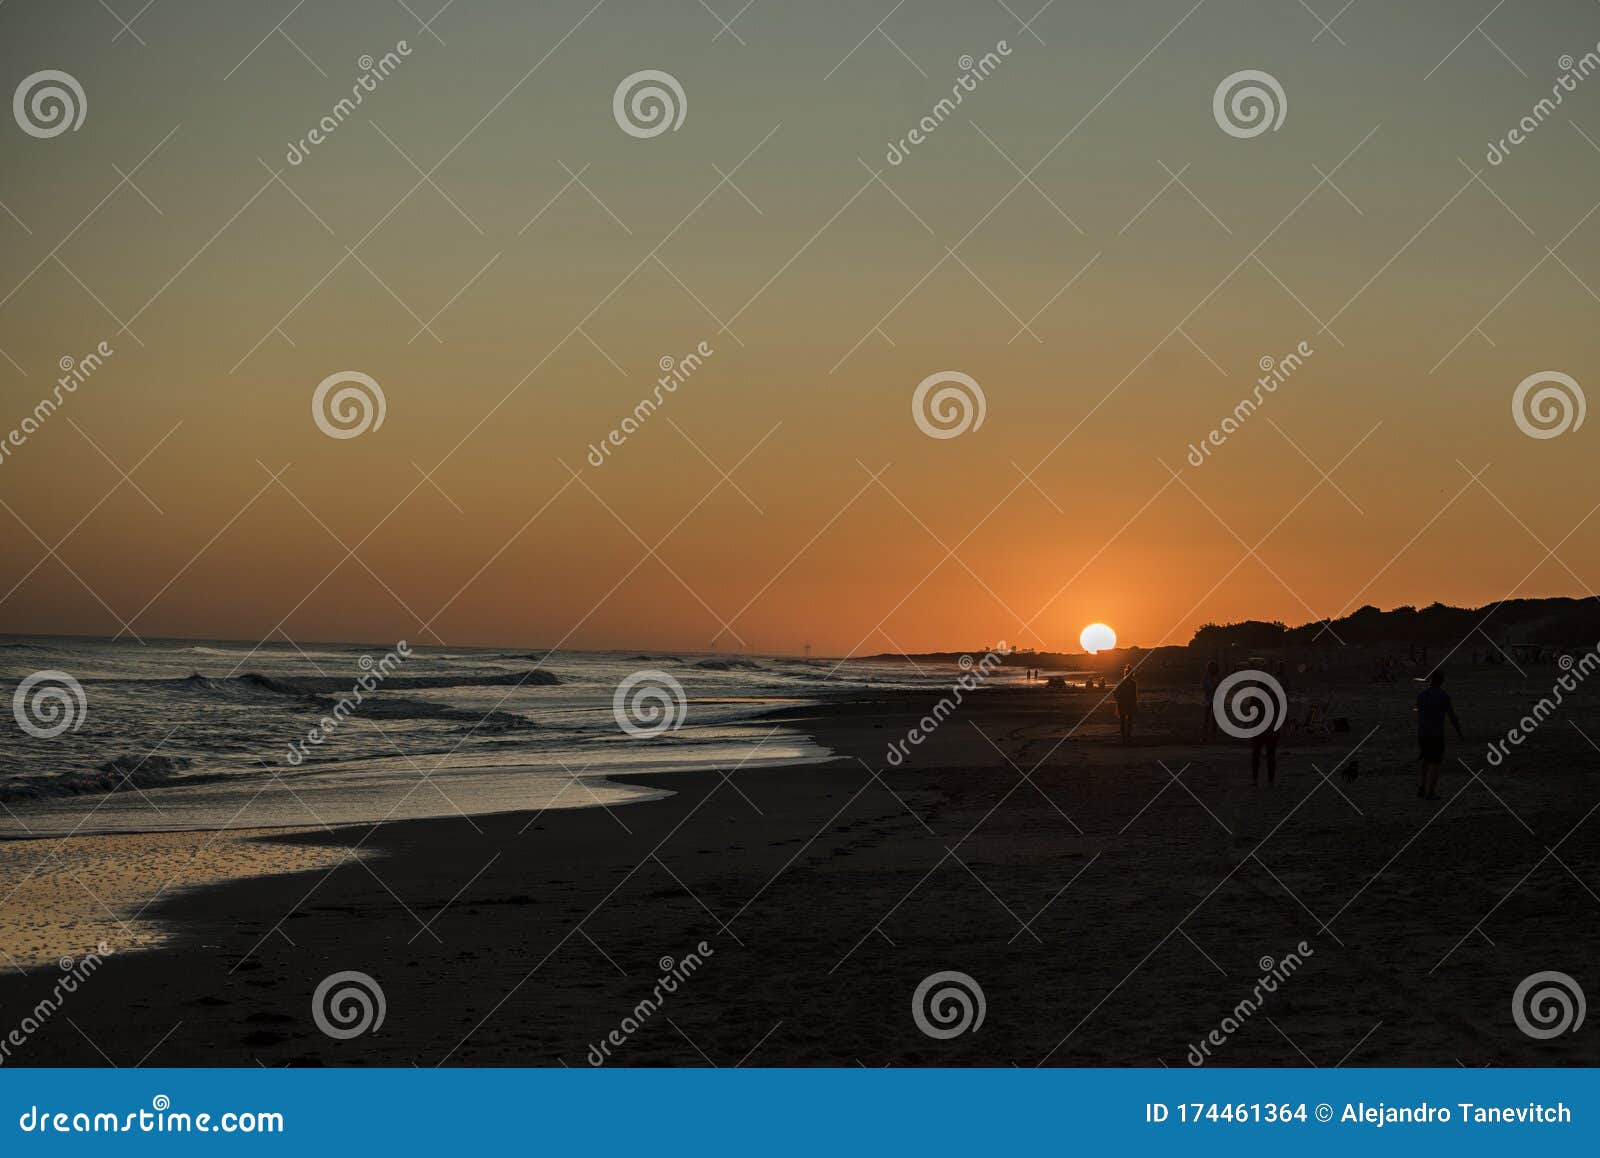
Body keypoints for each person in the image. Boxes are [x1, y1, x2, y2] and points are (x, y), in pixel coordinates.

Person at [1415, 670, 1463, 800]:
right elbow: (1452, 717)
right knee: (1435, 763)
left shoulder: (1421, 696)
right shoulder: (1443, 696)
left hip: (1422, 732)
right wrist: (1459, 732)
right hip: (1435, 733)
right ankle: (1430, 792)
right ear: (1442, 681)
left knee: (1425, 759)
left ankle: (1422, 787)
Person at [1113, 664, 1138, 744]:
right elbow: (1134, 696)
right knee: (1127, 720)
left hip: (1124, 703)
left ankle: (1125, 736)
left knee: (1123, 720)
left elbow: (1115, 693)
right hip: (1127, 703)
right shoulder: (1132, 683)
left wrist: (1118, 700)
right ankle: (1126, 736)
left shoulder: (1124, 683)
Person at [1200, 660, 1221, 743]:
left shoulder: (1218, 676)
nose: (1212, 668)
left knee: (1214, 720)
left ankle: (1213, 737)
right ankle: (1204, 736)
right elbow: (1203, 686)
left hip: (1216, 700)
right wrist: (1211, 688)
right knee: (1206, 720)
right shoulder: (1206, 676)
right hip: (1208, 700)